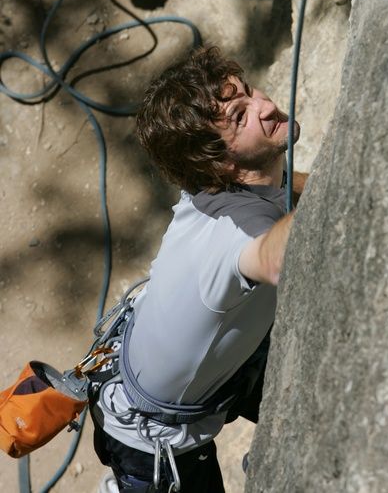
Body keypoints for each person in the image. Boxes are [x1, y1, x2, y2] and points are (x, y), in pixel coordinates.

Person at [92, 46, 307, 492]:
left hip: (147, 376)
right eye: (241, 116)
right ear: (224, 163)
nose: (267, 106)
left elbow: (285, 190)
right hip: (154, 442)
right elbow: (273, 256)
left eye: (249, 92)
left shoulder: (216, 186)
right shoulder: (235, 237)